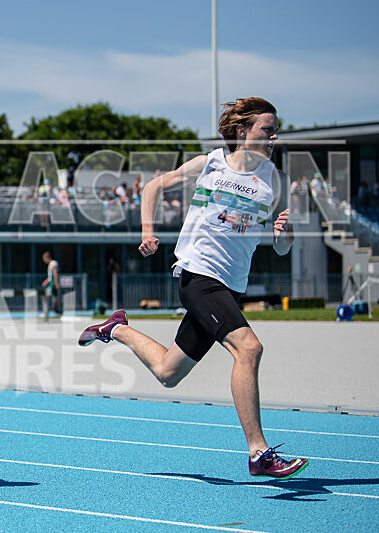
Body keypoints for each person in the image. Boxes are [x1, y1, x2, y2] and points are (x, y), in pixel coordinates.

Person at [79, 97, 309, 479]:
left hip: (231, 286)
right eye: (267, 129)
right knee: (249, 349)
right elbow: (153, 185)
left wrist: (285, 236)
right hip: (200, 277)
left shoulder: (274, 181)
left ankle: (115, 328)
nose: (273, 137)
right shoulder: (212, 163)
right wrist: (148, 231)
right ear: (242, 132)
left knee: (168, 372)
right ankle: (259, 453)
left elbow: (282, 247)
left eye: (276, 131)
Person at [42, 251, 61, 321]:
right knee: (51, 296)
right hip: (51, 282)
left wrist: (56, 283)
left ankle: (58, 310)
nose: (44, 260)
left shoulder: (53, 263)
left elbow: (55, 273)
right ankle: (51, 310)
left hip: (53, 283)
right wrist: (46, 281)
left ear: (47, 257)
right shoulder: (50, 264)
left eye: (44, 259)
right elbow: (50, 276)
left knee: (50, 296)